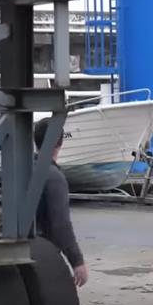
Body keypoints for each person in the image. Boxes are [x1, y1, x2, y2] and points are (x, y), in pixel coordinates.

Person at [33, 118, 89, 287]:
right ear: (60, 142)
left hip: (19, 250)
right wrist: (77, 262)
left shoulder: (23, 168)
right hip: (44, 253)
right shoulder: (53, 176)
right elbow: (60, 225)